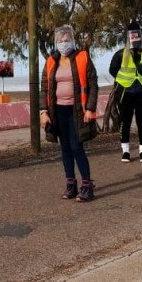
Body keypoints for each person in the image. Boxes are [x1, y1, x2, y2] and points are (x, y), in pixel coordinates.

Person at [39, 25, 99, 202]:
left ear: (73, 41)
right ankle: (71, 184)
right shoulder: (51, 61)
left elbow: (93, 84)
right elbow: (44, 88)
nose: (64, 44)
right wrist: (43, 111)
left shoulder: (83, 57)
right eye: (60, 41)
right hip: (58, 111)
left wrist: (90, 108)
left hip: (77, 111)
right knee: (64, 148)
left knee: (76, 147)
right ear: (56, 43)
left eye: (67, 40)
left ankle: (87, 185)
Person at [109, 20, 142, 163]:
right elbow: (112, 70)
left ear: (141, 35)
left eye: (137, 34)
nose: (135, 37)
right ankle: (125, 152)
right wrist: (123, 82)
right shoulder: (121, 53)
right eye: (132, 35)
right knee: (125, 122)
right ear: (128, 36)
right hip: (126, 93)